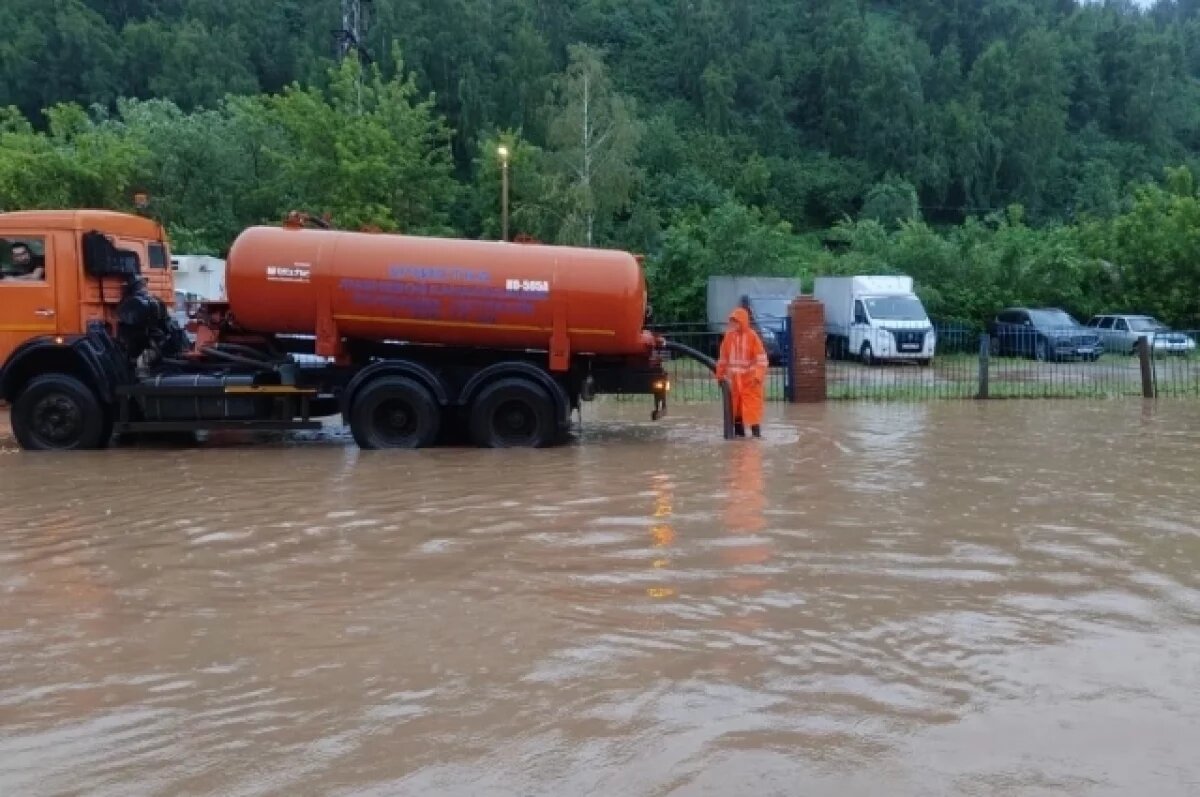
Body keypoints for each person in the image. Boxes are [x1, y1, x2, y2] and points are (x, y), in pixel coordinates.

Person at [715, 306, 768, 438]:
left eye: (736, 321)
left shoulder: (752, 337)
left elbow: (761, 359)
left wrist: (757, 377)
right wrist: (720, 375)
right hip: (734, 384)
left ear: (743, 321)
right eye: (732, 321)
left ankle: (756, 438)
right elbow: (723, 358)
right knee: (736, 414)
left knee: (752, 413)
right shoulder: (728, 337)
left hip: (750, 383)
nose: (733, 324)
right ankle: (740, 441)